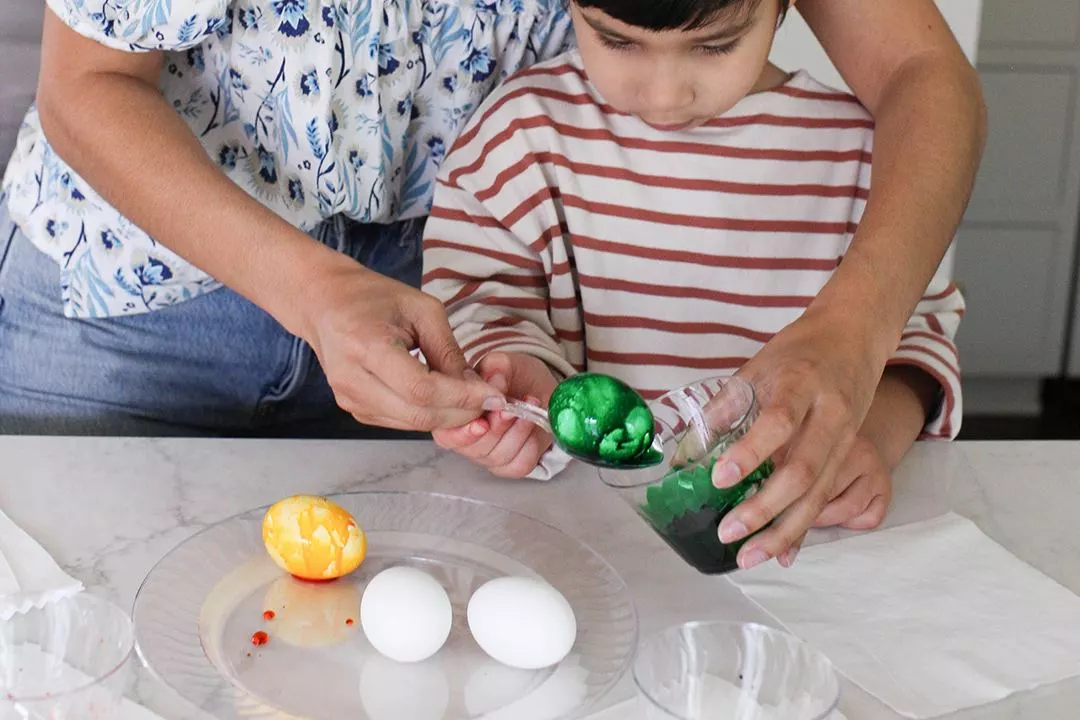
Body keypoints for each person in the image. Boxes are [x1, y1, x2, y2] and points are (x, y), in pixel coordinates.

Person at [0, 1, 983, 554]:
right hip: (124, 304)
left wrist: (858, 348)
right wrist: (313, 291)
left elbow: (920, 73)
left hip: (424, 316)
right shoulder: (524, 157)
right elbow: (87, 86)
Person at [425, 0, 966, 570]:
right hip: (579, 555)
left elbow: (917, 337)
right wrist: (514, 376)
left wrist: (872, 431)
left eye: (714, 46)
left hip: (801, 562)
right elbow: (475, 303)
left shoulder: (867, 157)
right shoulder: (519, 138)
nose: (664, 95)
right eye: (618, 41)